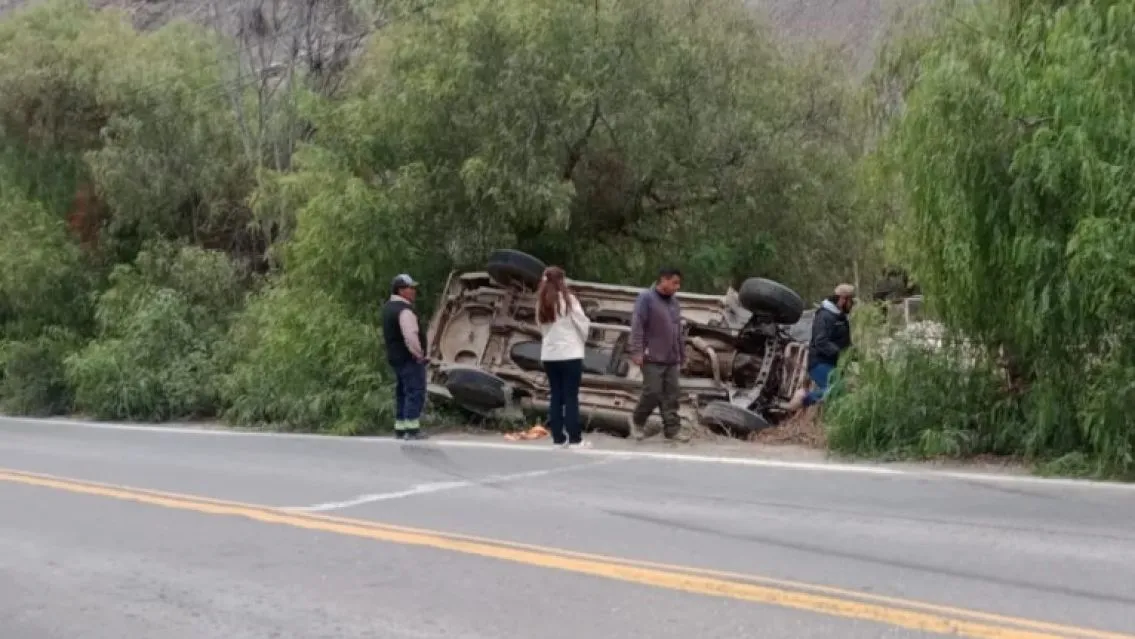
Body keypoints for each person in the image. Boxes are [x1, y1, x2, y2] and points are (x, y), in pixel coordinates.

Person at [628, 267, 688, 442]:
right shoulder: (646, 298)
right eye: (674, 283)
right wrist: (637, 351)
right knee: (652, 392)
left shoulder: (674, 303)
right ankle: (637, 421)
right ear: (663, 280)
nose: (677, 287)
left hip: (671, 357)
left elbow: (678, 331)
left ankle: (672, 430)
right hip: (651, 356)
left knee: (672, 395)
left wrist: (682, 354)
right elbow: (638, 325)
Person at [537, 266, 591, 448]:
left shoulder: (541, 302)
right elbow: (581, 322)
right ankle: (575, 438)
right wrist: (582, 340)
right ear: (561, 280)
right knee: (570, 397)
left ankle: (558, 438)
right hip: (570, 353)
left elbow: (541, 328)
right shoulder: (568, 300)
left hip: (550, 355)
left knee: (556, 395)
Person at [788, 283, 855, 411]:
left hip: (834, 363)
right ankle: (804, 397)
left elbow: (845, 343)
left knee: (843, 391)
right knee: (837, 390)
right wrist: (841, 353)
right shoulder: (824, 316)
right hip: (820, 363)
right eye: (851, 301)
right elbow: (821, 342)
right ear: (843, 299)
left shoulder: (841, 317)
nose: (852, 304)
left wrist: (855, 355)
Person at [382, 274, 429, 440]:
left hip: (395, 358)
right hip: (409, 358)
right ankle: (412, 429)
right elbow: (410, 336)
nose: (414, 291)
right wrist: (419, 354)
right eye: (411, 288)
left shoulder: (388, 308)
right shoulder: (404, 310)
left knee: (402, 392)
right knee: (415, 391)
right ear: (401, 290)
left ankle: (400, 427)